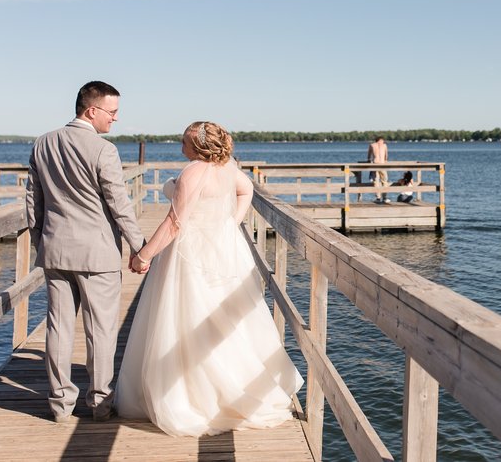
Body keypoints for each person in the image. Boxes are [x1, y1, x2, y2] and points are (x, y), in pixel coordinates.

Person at [116, 121, 303, 436]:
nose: (180, 147)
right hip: (222, 250)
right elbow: (247, 190)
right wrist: (229, 224)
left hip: (191, 254)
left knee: (188, 319)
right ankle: (232, 389)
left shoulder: (192, 172)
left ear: (197, 146)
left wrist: (144, 256)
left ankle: (194, 397)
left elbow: (175, 223)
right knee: (224, 320)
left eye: (184, 142)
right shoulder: (227, 168)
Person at [25, 81, 146, 424]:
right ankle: (100, 404)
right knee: (101, 330)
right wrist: (140, 247)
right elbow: (119, 205)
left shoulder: (43, 143)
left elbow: (33, 202)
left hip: (55, 249)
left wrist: (41, 241)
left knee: (59, 328)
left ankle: (60, 405)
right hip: (97, 254)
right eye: (112, 112)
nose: (116, 119)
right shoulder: (103, 150)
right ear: (91, 110)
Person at [367, 136, 390, 203]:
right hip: (382, 165)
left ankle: (378, 198)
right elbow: (386, 155)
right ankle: (385, 197)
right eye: (383, 140)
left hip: (375, 164)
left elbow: (369, 155)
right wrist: (385, 161)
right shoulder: (384, 145)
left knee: (376, 181)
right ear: (381, 140)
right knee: (384, 181)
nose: (383, 142)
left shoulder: (372, 145)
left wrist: (368, 160)